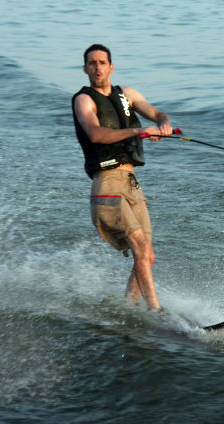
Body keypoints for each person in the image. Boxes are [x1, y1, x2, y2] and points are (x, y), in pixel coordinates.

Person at [71, 44, 172, 312]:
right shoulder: (84, 100)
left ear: (111, 67)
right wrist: (136, 132)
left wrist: (164, 125)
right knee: (139, 245)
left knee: (147, 255)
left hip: (131, 184)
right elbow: (96, 134)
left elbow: (156, 113)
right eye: (92, 63)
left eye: (102, 62)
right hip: (107, 183)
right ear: (85, 69)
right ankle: (155, 311)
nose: (97, 67)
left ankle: (129, 309)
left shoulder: (127, 94)